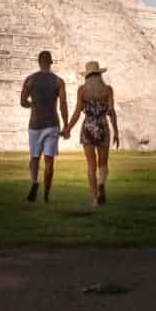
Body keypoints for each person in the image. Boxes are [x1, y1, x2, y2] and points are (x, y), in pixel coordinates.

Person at [63, 60, 119, 207]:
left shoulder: (82, 91)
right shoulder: (107, 90)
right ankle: (101, 183)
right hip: (102, 127)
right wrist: (116, 131)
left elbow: (77, 112)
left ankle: (95, 200)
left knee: (90, 166)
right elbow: (111, 112)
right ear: (99, 74)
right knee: (103, 163)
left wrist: (68, 127)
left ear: (87, 76)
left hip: (88, 127)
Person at [20, 50, 68, 203]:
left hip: (35, 124)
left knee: (34, 157)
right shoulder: (58, 81)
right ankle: (46, 196)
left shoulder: (30, 80)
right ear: (51, 62)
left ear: (39, 62)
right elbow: (63, 104)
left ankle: (34, 182)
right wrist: (66, 125)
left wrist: (33, 105)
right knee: (49, 161)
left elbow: (22, 101)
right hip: (52, 124)